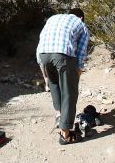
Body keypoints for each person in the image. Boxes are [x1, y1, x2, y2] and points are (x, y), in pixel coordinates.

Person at [36, 8, 90, 145]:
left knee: (54, 85)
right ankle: (65, 134)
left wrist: (44, 75)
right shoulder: (81, 25)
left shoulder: (53, 18)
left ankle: (60, 117)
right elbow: (82, 52)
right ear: (81, 18)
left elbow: (41, 40)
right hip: (62, 54)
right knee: (69, 92)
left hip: (43, 54)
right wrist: (78, 70)